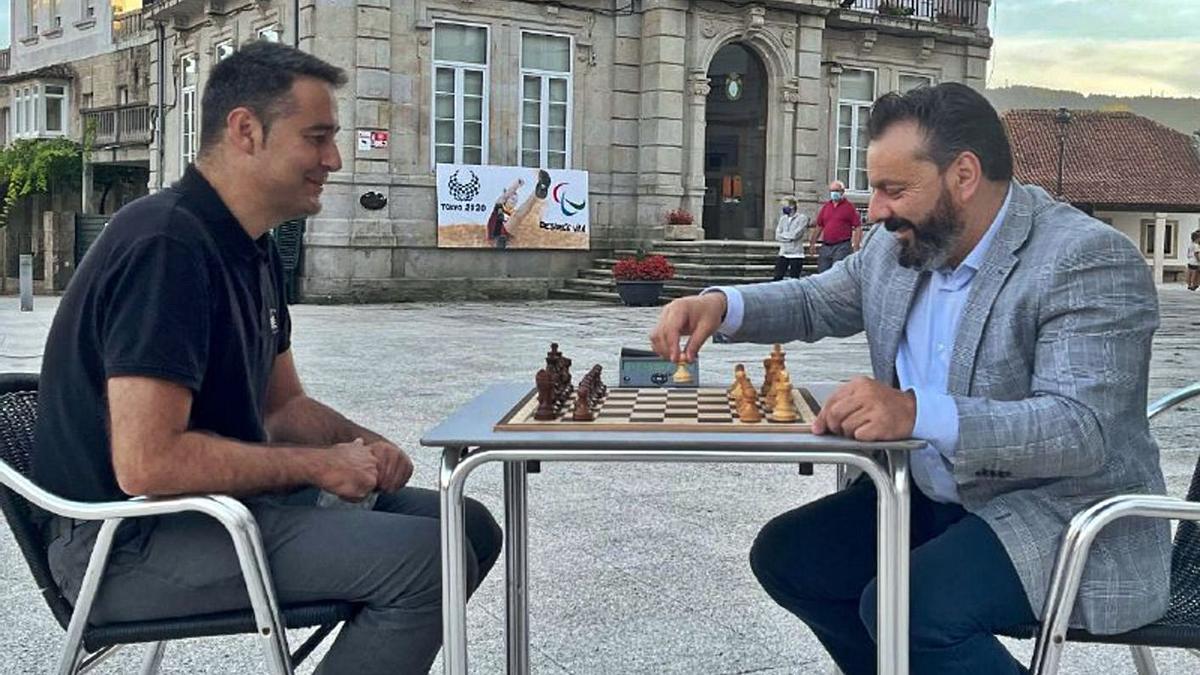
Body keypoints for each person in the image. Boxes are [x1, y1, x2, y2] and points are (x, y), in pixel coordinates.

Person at [649, 82, 1169, 674]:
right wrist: (722, 305)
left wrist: (916, 411)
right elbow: (820, 300)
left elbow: (1081, 430)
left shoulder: (1084, 259)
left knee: (911, 607)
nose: (876, 210)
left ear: (963, 175)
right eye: (875, 189)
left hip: (1060, 511)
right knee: (790, 558)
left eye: (894, 189)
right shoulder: (905, 243)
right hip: (931, 495)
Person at [32, 41, 501, 675]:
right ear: (246, 130)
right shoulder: (166, 246)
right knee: (428, 560)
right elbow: (148, 462)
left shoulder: (249, 247)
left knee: (468, 525)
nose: (334, 159)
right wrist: (316, 465)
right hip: (126, 543)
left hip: (215, 513)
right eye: (317, 137)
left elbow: (284, 408)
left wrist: (361, 445)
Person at [809, 179, 862, 273]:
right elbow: (819, 226)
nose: (834, 193)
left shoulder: (849, 207)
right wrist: (812, 242)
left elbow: (857, 227)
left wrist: (856, 245)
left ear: (842, 192)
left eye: (836, 191)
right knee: (822, 271)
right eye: (832, 191)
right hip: (826, 245)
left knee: (837, 272)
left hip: (842, 245)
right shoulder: (826, 207)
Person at [772, 198, 809, 280]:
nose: (783, 208)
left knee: (794, 278)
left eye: (785, 205)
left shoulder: (802, 218)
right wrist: (788, 237)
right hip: (783, 252)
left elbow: (795, 235)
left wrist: (784, 236)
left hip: (796, 253)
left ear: (792, 206)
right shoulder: (783, 219)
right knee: (777, 276)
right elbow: (777, 235)